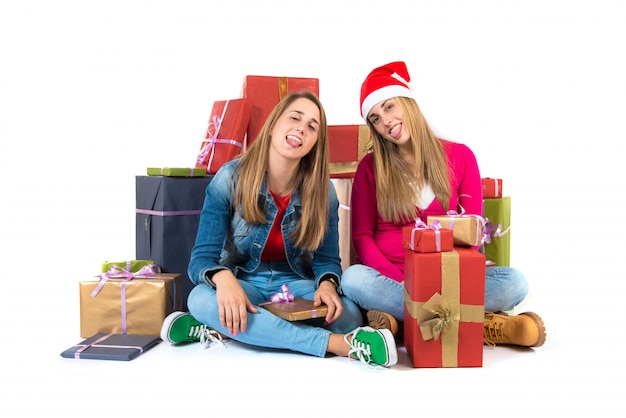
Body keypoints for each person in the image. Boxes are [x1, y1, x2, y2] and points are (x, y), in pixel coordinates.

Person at [160, 90, 398, 368]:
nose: (302, 128)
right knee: (200, 299)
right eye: (294, 118)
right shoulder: (229, 178)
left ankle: (223, 329)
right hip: (243, 282)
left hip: (295, 285)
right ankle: (339, 345)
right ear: (273, 125)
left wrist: (326, 283)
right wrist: (224, 280)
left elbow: (327, 260)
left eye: (312, 126)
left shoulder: (323, 193)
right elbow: (201, 258)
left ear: (315, 143)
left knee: (350, 317)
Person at [341, 61, 546, 348]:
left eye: (389, 107)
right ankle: (478, 322)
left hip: (451, 277)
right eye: (375, 118)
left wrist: (441, 282)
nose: (385, 121)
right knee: (353, 279)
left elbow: (472, 233)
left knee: (515, 282)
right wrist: (406, 283)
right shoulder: (370, 168)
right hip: (395, 281)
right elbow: (362, 239)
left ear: (408, 102)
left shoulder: (461, 157)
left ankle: (403, 324)